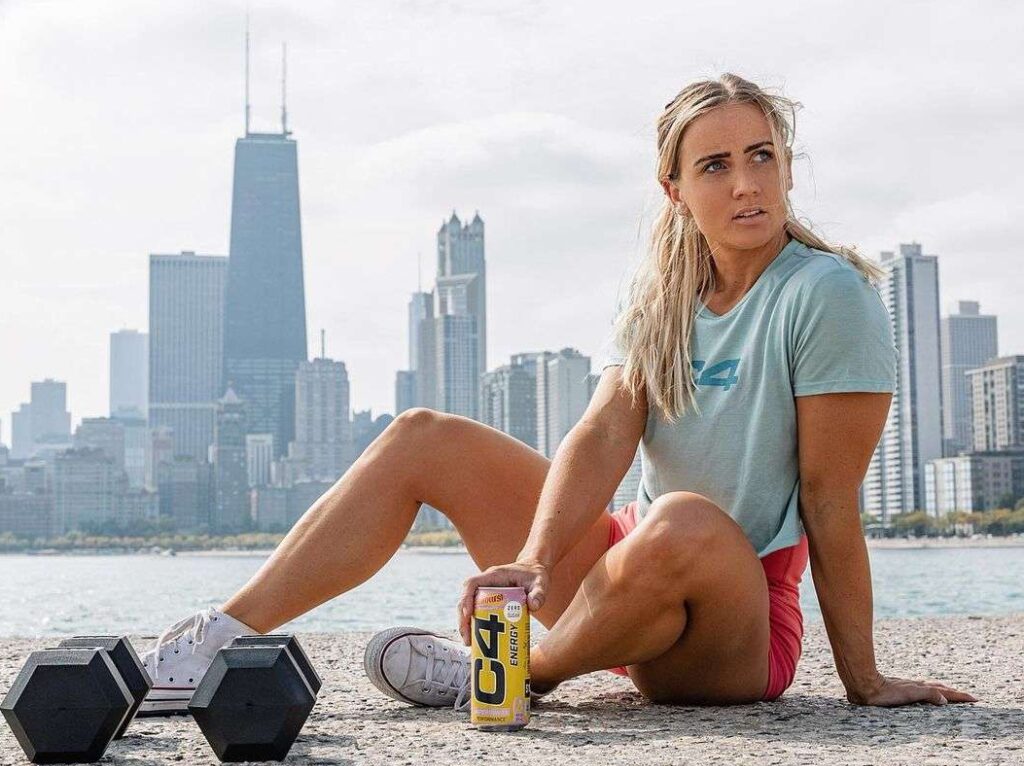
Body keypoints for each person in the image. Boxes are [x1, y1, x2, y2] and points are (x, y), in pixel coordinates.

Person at [138, 72, 977, 717]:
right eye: (715, 165)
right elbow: (604, 431)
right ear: (676, 190)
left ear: (788, 166)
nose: (746, 182)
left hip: (735, 620)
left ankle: (507, 674)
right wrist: (535, 562)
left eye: (762, 156)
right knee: (423, 433)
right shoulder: (663, 295)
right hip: (623, 579)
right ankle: (219, 637)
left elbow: (832, 499)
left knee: (682, 518)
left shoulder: (827, 294)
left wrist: (864, 679)